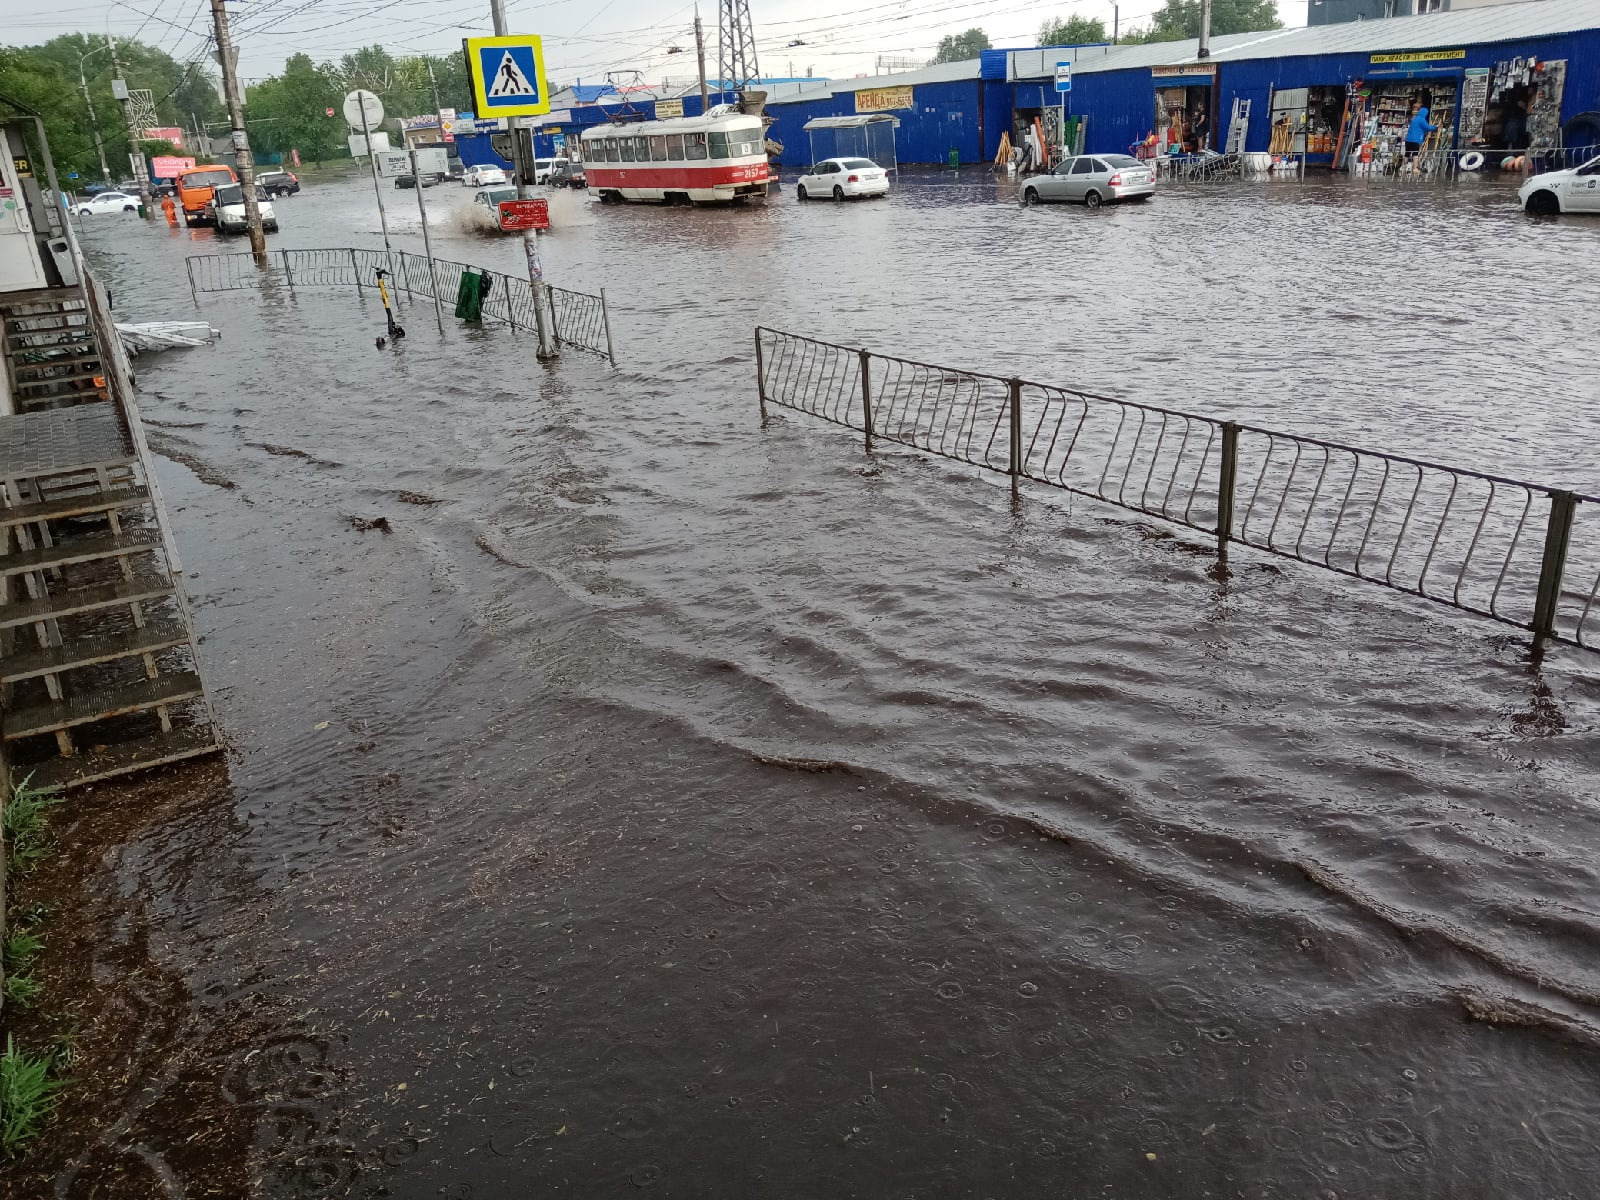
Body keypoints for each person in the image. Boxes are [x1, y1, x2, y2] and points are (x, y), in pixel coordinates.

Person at [1404, 102, 1438, 169]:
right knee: (1415, 155)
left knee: (1407, 154)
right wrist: (1435, 127)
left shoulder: (1415, 119)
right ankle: (1415, 168)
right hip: (1415, 140)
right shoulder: (1422, 119)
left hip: (1408, 139)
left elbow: (1420, 128)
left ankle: (1403, 167)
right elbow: (1427, 127)